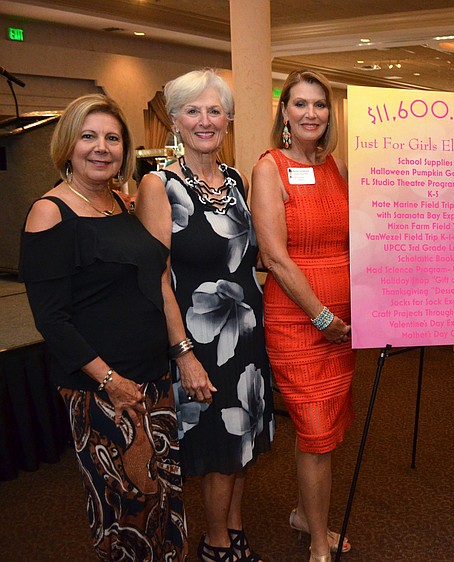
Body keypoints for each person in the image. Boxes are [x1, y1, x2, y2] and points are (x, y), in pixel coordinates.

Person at [19, 94, 187, 561]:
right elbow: (52, 319)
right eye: (88, 136)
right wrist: (111, 382)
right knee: (126, 512)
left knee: (164, 500)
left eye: (112, 138)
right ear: (68, 145)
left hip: (152, 379)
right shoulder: (50, 212)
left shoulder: (118, 202)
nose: (101, 147)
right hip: (102, 390)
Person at [135, 69, 274, 562]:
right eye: (193, 110)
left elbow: (252, 257)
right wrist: (184, 355)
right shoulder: (160, 185)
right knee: (218, 451)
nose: (205, 120)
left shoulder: (235, 180)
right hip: (201, 340)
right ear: (174, 120)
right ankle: (216, 546)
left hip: (246, 336)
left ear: (229, 120)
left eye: (215, 111)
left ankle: (234, 531)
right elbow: (158, 277)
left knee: (242, 444)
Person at [251, 69, 353, 562]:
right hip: (300, 321)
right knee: (314, 432)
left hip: (344, 324)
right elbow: (274, 256)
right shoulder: (269, 167)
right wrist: (320, 316)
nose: (311, 113)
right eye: (301, 105)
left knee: (325, 431)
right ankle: (317, 541)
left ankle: (303, 514)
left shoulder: (333, 166)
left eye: (320, 104)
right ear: (285, 114)